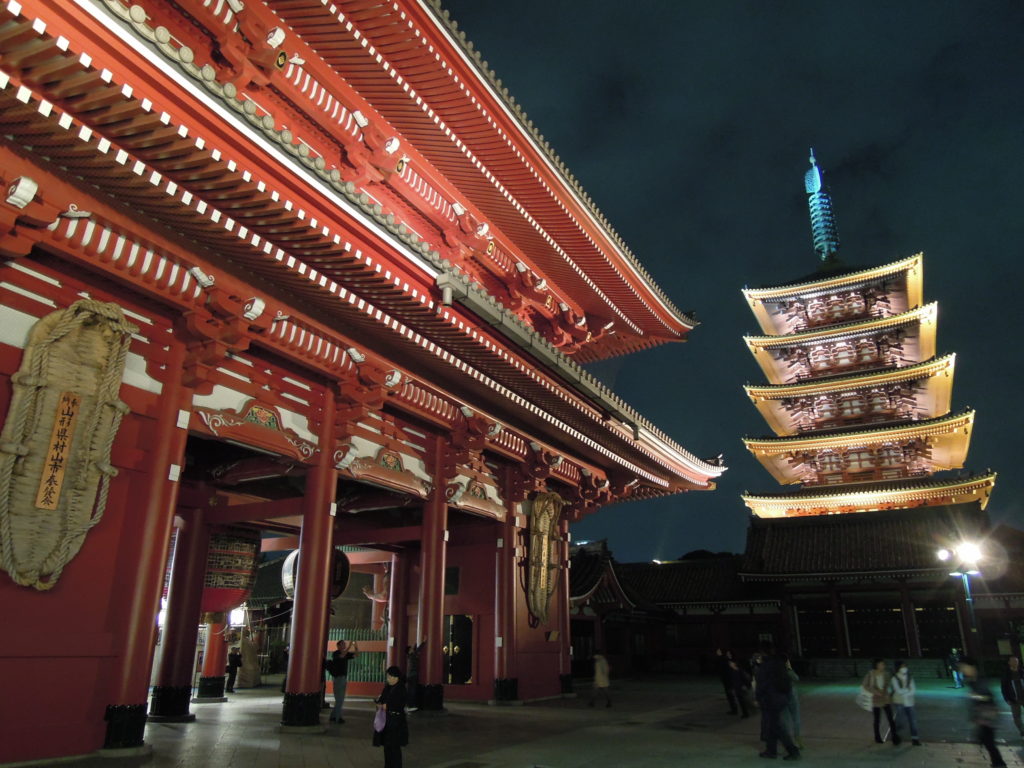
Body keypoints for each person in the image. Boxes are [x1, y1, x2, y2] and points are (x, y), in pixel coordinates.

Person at [754, 643, 800, 760]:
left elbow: (761, 685)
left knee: (777, 727)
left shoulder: (765, 667)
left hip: (770, 699)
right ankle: (771, 750)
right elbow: (787, 681)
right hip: (780, 698)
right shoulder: (779, 663)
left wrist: (757, 698)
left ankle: (792, 751)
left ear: (763, 653)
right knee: (772, 726)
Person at [960, 656, 1007, 767]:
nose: (962, 670)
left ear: (972, 667)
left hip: (987, 717)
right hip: (981, 718)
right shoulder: (972, 680)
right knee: (987, 742)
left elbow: (988, 697)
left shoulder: (980, 679)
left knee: (989, 743)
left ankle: (999, 764)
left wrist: (975, 696)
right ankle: (997, 763)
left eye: (964, 667)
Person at [374, 665, 409, 768]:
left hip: (396, 720)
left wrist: (387, 706)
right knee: (387, 746)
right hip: (386, 719)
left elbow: (399, 704)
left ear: (396, 677)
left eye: (389, 677)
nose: (388, 679)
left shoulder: (401, 688)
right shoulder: (387, 687)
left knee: (395, 747)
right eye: (387, 677)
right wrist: (379, 703)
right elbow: (382, 698)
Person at [861, 658, 900, 745]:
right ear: (877, 665)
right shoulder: (871, 674)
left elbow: (891, 683)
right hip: (876, 699)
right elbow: (865, 685)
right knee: (877, 720)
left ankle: (895, 737)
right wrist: (875, 692)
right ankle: (877, 737)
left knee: (891, 718)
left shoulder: (886, 674)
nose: (883, 666)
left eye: (883, 664)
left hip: (885, 699)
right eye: (881, 664)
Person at [890, 660, 921, 746]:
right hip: (899, 702)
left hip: (910, 702)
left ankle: (915, 738)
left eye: (905, 666)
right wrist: (907, 691)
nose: (904, 668)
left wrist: (906, 692)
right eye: (902, 666)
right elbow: (897, 690)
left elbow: (913, 689)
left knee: (913, 721)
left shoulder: (910, 677)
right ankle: (895, 736)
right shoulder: (894, 678)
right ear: (898, 668)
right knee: (900, 721)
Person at [328, 639, 359, 723]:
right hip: (338, 678)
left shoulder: (346, 654)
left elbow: (356, 655)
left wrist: (355, 647)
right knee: (340, 699)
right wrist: (349, 647)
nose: (344, 645)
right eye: (342, 644)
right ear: (338, 646)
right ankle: (338, 718)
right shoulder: (336, 653)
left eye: (344, 644)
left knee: (339, 699)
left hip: (343, 678)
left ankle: (333, 716)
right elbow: (342, 655)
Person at [781, 655, 803, 749]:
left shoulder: (777, 671)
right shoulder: (788, 671)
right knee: (795, 717)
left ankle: (787, 740)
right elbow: (796, 678)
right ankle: (797, 740)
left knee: (785, 719)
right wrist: (790, 668)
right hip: (791, 695)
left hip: (782, 695)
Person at [1000, 656, 1024, 738]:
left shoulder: (1022, 672)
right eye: (1013, 661)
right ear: (1009, 663)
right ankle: (1022, 730)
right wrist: (1007, 699)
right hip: (1014, 698)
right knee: (1017, 716)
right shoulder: (1006, 674)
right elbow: (1003, 688)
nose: (1015, 663)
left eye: (1016, 661)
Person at [715, 648, 739, 714]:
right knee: (730, 696)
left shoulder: (730, 661)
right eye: (727, 653)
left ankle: (735, 710)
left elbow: (722, 662)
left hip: (730, 681)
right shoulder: (727, 660)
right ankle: (734, 709)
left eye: (728, 653)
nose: (727, 654)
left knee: (731, 695)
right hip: (727, 681)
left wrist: (719, 656)